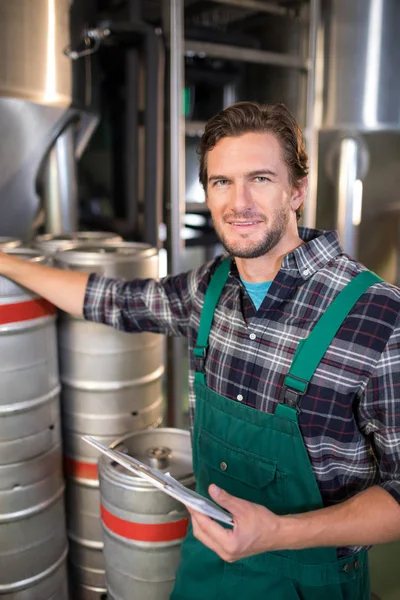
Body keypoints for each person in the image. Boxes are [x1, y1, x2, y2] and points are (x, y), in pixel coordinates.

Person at [1, 101, 400, 600]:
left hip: (310, 584)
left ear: (296, 191)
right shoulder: (208, 290)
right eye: (220, 182)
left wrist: (280, 533)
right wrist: (6, 262)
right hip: (206, 569)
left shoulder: (378, 317)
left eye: (260, 178)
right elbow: (108, 300)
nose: (239, 202)